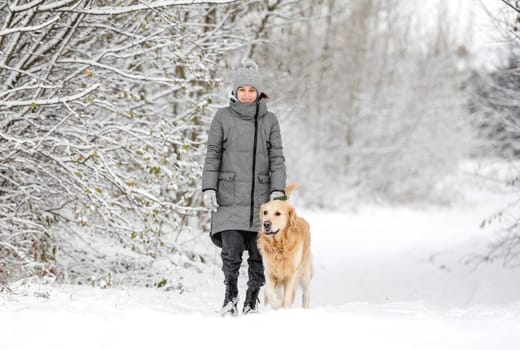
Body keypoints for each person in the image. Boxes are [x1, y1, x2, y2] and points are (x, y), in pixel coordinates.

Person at [201, 60, 287, 316]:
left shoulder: (270, 121)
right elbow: (213, 154)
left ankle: (252, 298)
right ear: (235, 91)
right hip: (228, 196)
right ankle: (230, 295)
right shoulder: (222, 117)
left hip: (260, 200)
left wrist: (277, 191)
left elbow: (277, 158)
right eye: (242, 89)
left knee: (259, 253)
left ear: (259, 92)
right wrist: (209, 188)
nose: (247, 94)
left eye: (252, 89)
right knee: (232, 252)